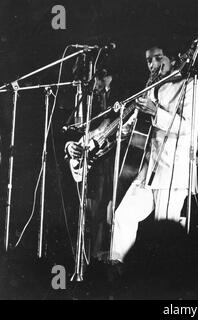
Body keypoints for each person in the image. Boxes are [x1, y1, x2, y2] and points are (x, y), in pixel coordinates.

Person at [110, 45, 198, 262]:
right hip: (148, 169)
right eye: (148, 61)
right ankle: (118, 274)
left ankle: (167, 285)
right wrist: (124, 126)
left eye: (158, 58)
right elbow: (140, 126)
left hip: (173, 170)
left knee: (166, 233)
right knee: (122, 216)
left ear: (174, 58)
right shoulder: (154, 88)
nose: (152, 65)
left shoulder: (192, 86)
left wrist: (155, 111)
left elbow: (188, 127)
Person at [65, 67, 119, 261]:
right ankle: (84, 262)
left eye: (91, 81)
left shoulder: (122, 93)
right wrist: (69, 145)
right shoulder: (85, 97)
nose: (90, 87)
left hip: (113, 166)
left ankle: (97, 265)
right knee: (87, 217)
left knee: (104, 219)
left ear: (105, 76)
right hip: (89, 165)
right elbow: (72, 130)